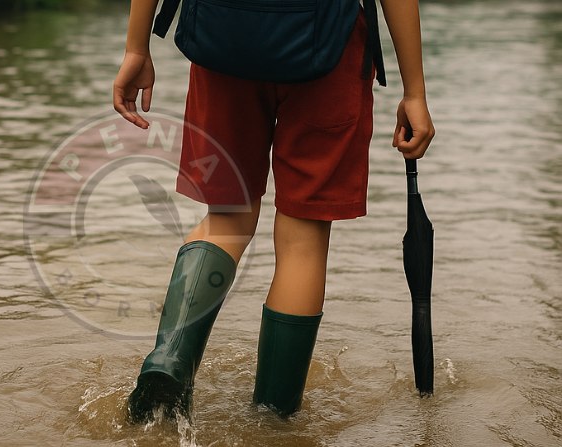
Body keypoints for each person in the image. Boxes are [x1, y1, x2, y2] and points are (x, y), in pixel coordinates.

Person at [113, 0, 435, 422]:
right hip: (330, 51)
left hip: (225, 40)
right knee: (303, 240)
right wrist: (414, 91)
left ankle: (170, 359)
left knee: (227, 220)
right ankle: (272, 421)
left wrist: (137, 48)